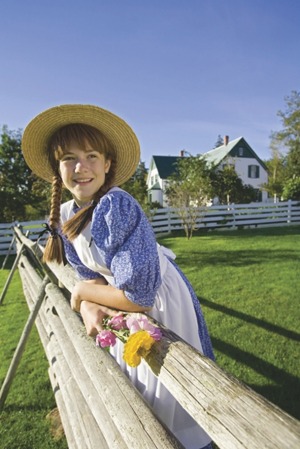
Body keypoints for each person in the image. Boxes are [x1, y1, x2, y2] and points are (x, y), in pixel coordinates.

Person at [22, 104, 214, 449]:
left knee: (172, 388)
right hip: (121, 297)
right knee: (137, 381)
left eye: (91, 155)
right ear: (57, 167)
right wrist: (87, 305)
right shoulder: (67, 214)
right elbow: (88, 274)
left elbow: (139, 297)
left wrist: (81, 295)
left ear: (107, 164)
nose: (81, 168)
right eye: (68, 158)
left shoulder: (116, 205)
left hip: (157, 297)